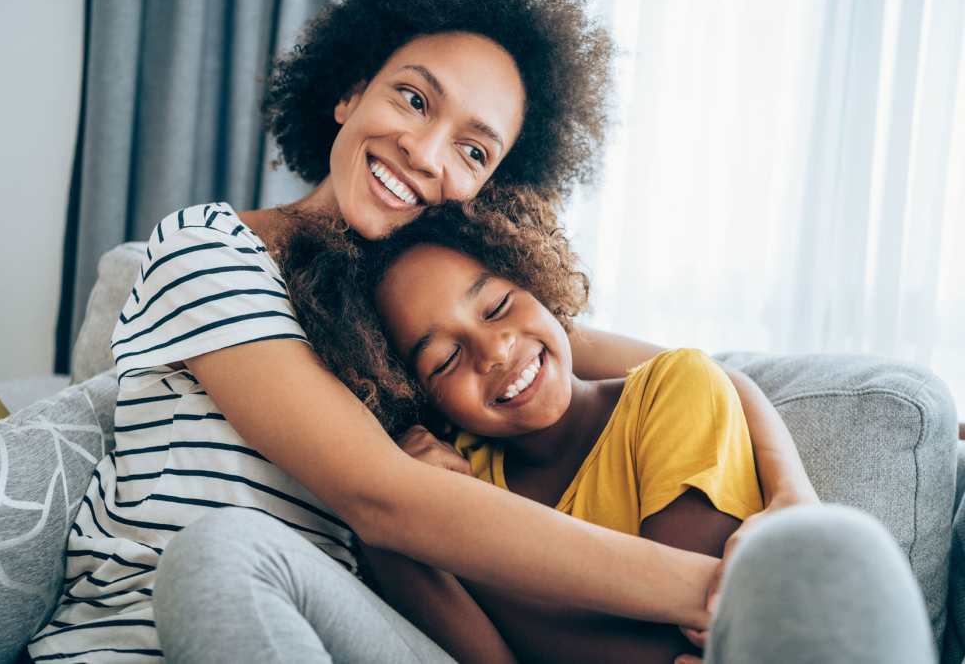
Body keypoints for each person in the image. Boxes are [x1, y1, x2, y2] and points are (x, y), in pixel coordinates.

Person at [27, 0, 926, 662]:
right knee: (226, 549)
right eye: (412, 98)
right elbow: (380, 498)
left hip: (347, 630)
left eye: (473, 147)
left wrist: (795, 506)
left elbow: (710, 369)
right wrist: (722, 595)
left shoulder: (423, 314)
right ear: (347, 91)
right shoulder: (206, 251)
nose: (423, 151)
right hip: (141, 635)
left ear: (491, 185)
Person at [277, 200, 763, 662]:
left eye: (497, 307)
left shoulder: (677, 389)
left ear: (537, 282)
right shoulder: (449, 481)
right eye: (445, 359)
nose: (494, 352)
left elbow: (672, 643)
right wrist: (412, 519)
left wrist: (450, 543)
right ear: (424, 401)